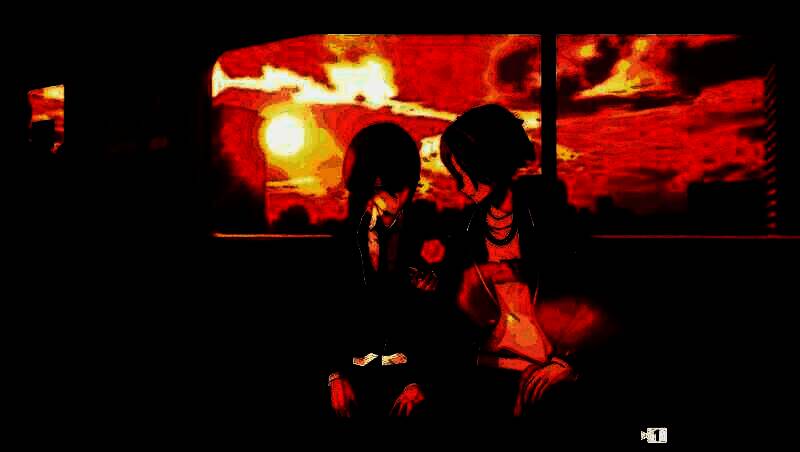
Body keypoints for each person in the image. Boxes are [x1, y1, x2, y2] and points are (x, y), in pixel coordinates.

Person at [437, 104, 601, 418]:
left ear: (488, 162)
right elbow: (451, 313)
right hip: (482, 366)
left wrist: (567, 361)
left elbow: (590, 298)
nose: (460, 185)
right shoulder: (465, 230)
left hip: (542, 367)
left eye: (463, 172)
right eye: (455, 174)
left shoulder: (549, 220)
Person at [326, 122, 437, 417]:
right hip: (354, 378)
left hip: (407, 382)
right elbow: (328, 314)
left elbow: (437, 326)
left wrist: (419, 381)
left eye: (406, 187)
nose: (402, 198)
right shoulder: (343, 243)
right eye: (389, 188)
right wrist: (335, 375)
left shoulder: (424, 239)